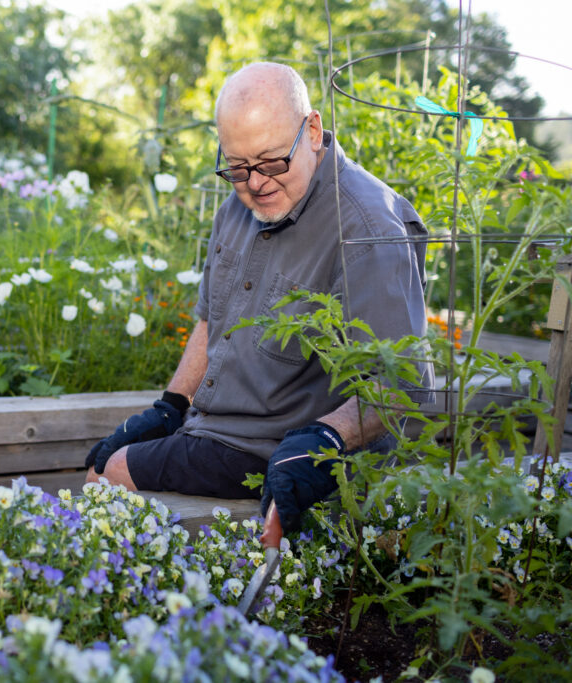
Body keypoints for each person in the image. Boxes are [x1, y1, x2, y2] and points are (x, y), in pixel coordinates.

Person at [85, 62, 433, 533]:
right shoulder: (240, 204)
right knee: (107, 461)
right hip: (211, 431)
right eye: (237, 166)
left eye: (271, 162)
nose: (255, 183)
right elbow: (211, 323)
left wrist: (324, 438)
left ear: (312, 130)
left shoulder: (367, 229)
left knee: (112, 473)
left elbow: (405, 387)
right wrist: (170, 406)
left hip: (279, 451)